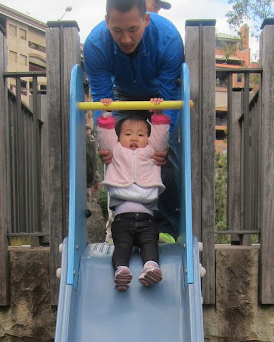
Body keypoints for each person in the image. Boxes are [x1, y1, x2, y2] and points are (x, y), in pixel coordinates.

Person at [83, 0, 184, 242]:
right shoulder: (95, 45)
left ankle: (166, 228)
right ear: (108, 22)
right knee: (118, 154)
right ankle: (121, 225)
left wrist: (161, 144)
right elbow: (101, 99)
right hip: (122, 95)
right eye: (117, 30)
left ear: (146, 20)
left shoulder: (169, 39)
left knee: (165, 157)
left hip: (159, 96)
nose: (126, 39)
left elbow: (170, 96)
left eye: (133, 29)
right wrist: (106, 143)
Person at [96, 103, 170, 291]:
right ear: (118, 138)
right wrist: (106, 115)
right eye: (128, 134)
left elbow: (161, 138)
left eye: (141, 135)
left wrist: (159, 115)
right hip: (123, 219)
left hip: (147, 220)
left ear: (149, 139)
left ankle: (151, 267)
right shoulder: (116, 152)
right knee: (122, 246)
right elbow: (105, 139)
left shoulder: (152, 152)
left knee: (150, 244)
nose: (134, 138)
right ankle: (121, 271)